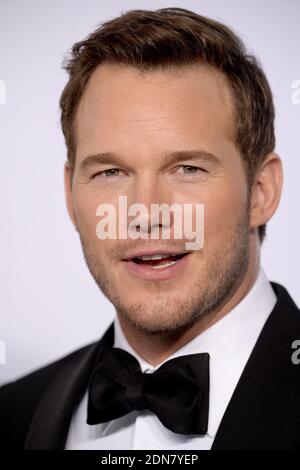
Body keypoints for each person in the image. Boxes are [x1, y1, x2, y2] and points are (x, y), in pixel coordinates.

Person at [1, 7, 299, 450]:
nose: (144, 211)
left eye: (188, 168)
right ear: (70, 195)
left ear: (260, 192)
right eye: (110, 173)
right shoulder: (10, 414)